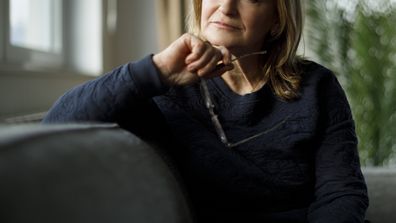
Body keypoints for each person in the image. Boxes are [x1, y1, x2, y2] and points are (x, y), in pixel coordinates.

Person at [43, 0, 369, 222]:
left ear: (277, 20)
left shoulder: (317, 86)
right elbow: (57, 123)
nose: (226, 6)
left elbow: (341, 193)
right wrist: (155, 71)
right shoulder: (166, 88)